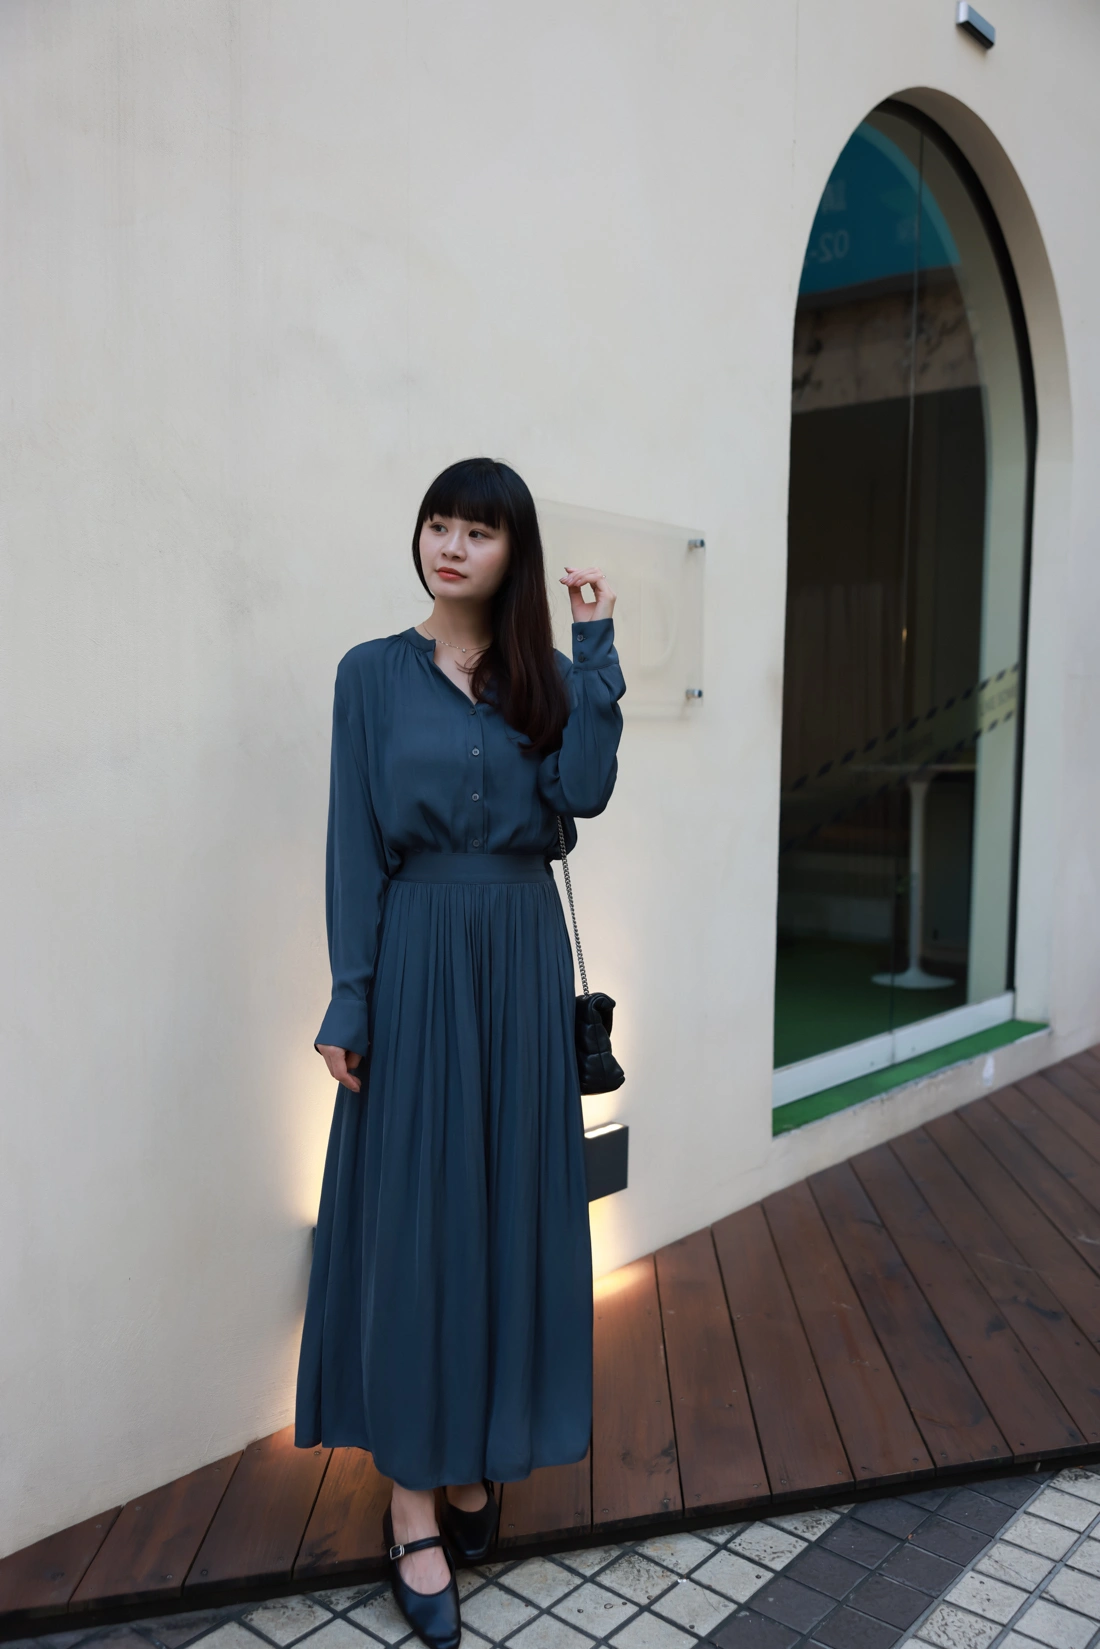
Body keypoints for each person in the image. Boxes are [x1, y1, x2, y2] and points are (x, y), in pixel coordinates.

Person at [295, 457, 625, 1649]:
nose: (449, 545)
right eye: (437, 523)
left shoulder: (545, 679)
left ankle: (481, 1443)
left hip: (519, 956)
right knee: (418, 1220)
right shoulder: (369, 675)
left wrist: (594, 647)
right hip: (421, 954)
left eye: (476, 531)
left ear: (511, 552)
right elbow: (352, 840)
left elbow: (582, 789)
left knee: (504, 1212)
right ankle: (411, 1496)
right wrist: (351, 996)